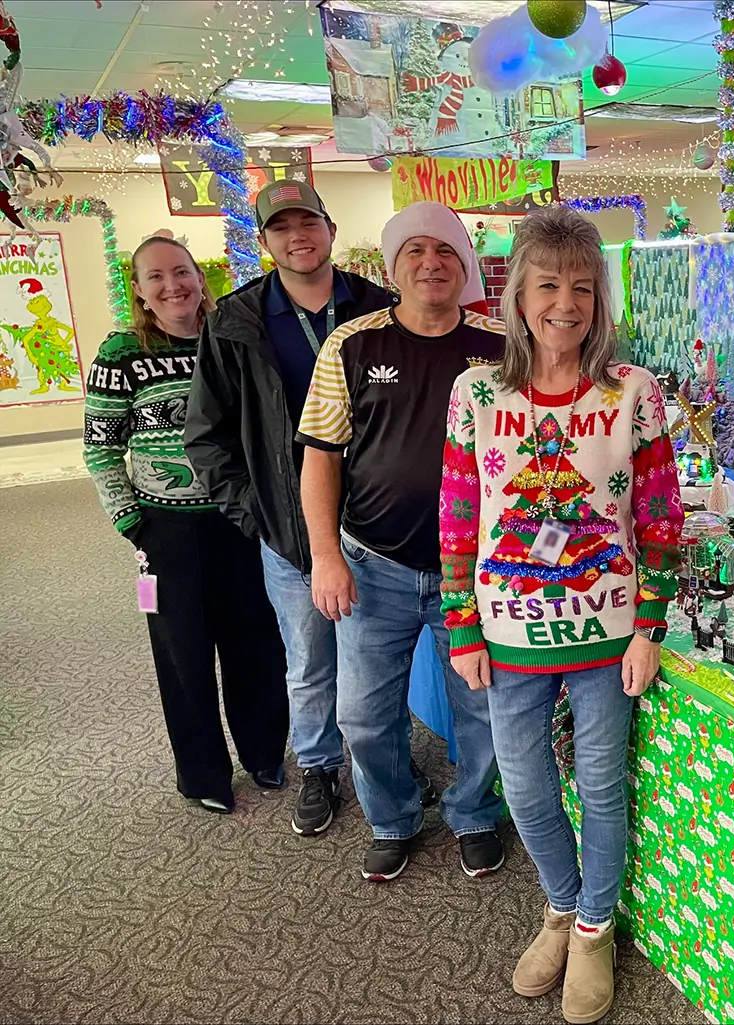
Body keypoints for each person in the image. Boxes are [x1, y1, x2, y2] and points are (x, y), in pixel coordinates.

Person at [441, 206, 682, 1024]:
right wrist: (461, 623)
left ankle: (592, 929)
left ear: (599, 299)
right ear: (519, 295)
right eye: (548, 285)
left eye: (582, 287)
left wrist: (649, 625)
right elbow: (458, 513)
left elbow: (660, 515)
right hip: (506, 630)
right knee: (525, 785)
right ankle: (561, 902)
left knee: (602, 785)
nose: (565, 304)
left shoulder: (633, 391)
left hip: (607, 632)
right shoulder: (476, 393)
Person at [186, 181, 441, 837]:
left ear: (330, 229)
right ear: (265, 241)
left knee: (377, 667)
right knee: (310, 661)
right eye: (281, 227)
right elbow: (206, 435)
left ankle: (388, 765)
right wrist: (259, 514)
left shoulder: (380, 305)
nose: (297, 236)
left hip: (380, 530)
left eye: (308, 222)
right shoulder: (235, 323)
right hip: (291, 531)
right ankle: (320, 767)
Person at [296, 202, 505, 883]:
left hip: (474, 570)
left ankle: (474, 812)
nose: (430, 263)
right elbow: (321, 456)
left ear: (464, 265)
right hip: (373, 564)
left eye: (445, 251)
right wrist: (325, 556)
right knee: (362, 714)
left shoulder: (503, 345)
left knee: (481, 705)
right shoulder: (351, 345)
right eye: (414, 251)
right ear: (393, 267)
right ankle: (393, 817)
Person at [83, 235, 288, 813]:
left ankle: (264, 752)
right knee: (184, 655)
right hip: (167, 530)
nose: (172, 285)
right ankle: (202, 775)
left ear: (200, 278)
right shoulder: (123, 354)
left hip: (241, 520)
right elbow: (100, 447)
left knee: (256, 644)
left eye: (181, 272)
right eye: (156, 276)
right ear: (139, 290)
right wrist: (131, 522)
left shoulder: (231, 337)